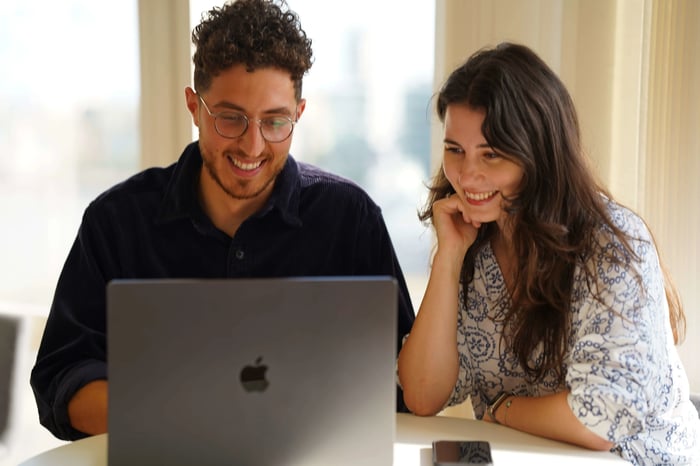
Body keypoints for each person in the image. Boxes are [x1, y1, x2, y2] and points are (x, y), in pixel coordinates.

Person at [31, 0, 415, 441]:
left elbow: (403, 382)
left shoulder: (351, 219)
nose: (252, 146)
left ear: (299, 114)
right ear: (194, 106)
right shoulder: (115, 222)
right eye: (231, 118)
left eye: (275, 122)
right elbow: (62, 376)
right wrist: (169, 425)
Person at [397, 42, 699, 465]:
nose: (466, 175)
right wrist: (448, 258)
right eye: (455, 150)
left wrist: (502, 408)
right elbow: (423, 395)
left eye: (492, 154)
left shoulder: (611, 246)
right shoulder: (474, 242)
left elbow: (599, 421)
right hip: (525, 456)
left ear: (538, 153)